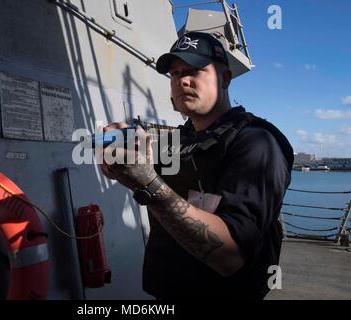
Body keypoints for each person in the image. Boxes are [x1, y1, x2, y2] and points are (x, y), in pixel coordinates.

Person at [100, 31, 293, 299]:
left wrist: (146, 182)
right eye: (175, 74)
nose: (183, 81)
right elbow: (146, 183)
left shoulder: (257, 142)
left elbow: (230, 256)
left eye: (194, 71)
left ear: (225, 78)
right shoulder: (178, 141)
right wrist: (124, 162)